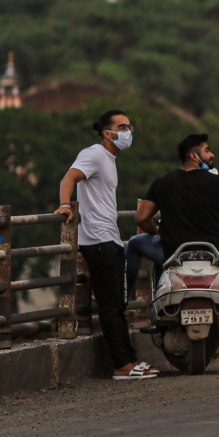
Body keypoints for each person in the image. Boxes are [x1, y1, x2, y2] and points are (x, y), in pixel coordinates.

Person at [57, 109, 155, 380]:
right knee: (111, 305)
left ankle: (130, 359)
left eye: (129, 127)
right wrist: (66, 205)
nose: (127, 132)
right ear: (106, 132)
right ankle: (122, 365)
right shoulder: (94, 154)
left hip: (110, 238)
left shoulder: (110, 159)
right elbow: (69, 178)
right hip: (97, 240)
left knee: (118, 303)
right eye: (122, 127)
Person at [128, 133, 219, 296]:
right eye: (207, 150)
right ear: (194, 156)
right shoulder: (218, 182)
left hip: (172, 253)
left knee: (134, 243)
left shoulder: (162, 183)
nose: (212, 155)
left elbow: (141, 218)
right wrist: (204, 222)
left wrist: (157, 232)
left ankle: (128, 296)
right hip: (210, 252)